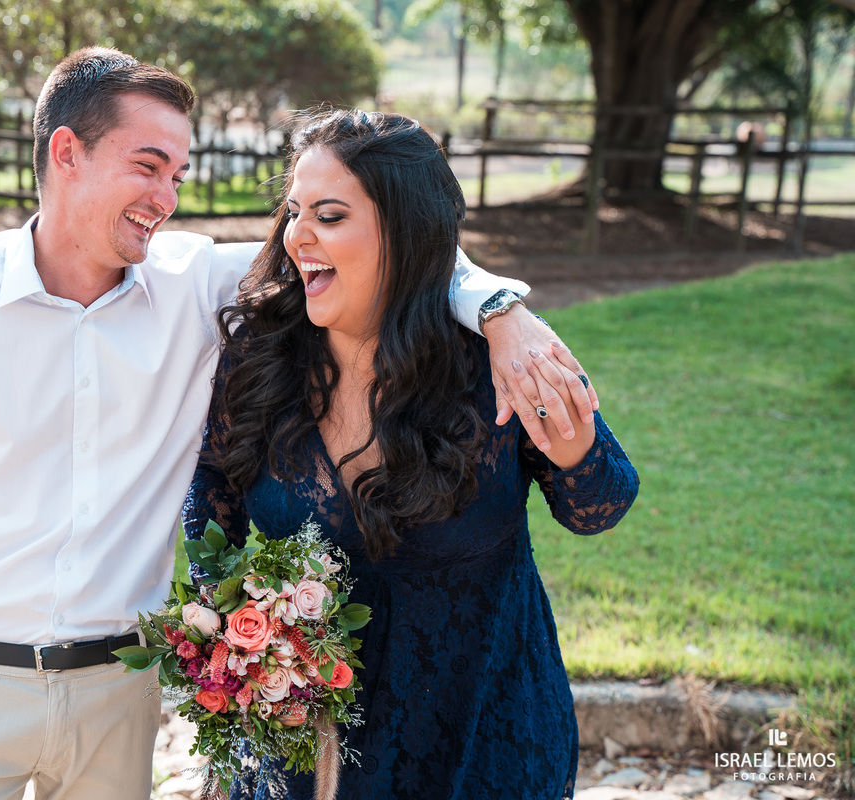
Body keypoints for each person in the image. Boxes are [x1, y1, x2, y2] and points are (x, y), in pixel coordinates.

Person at [0, 49, 599, 800]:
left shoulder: (194, 282)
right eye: (148, 166)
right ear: (67, 152)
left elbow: (390, 240)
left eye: (178, 174)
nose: (167, 198)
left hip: (118, 696)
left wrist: (500, 310)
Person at [182, 108, 640, 800]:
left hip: (479, 741)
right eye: (294, 211)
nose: (296, 236)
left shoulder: (497, 367)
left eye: (329, 216)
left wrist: (575, 451)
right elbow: (212, 482)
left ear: (403, 234)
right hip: (307, 755)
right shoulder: (259, 354)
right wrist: (223, 625)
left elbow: (599, 506)